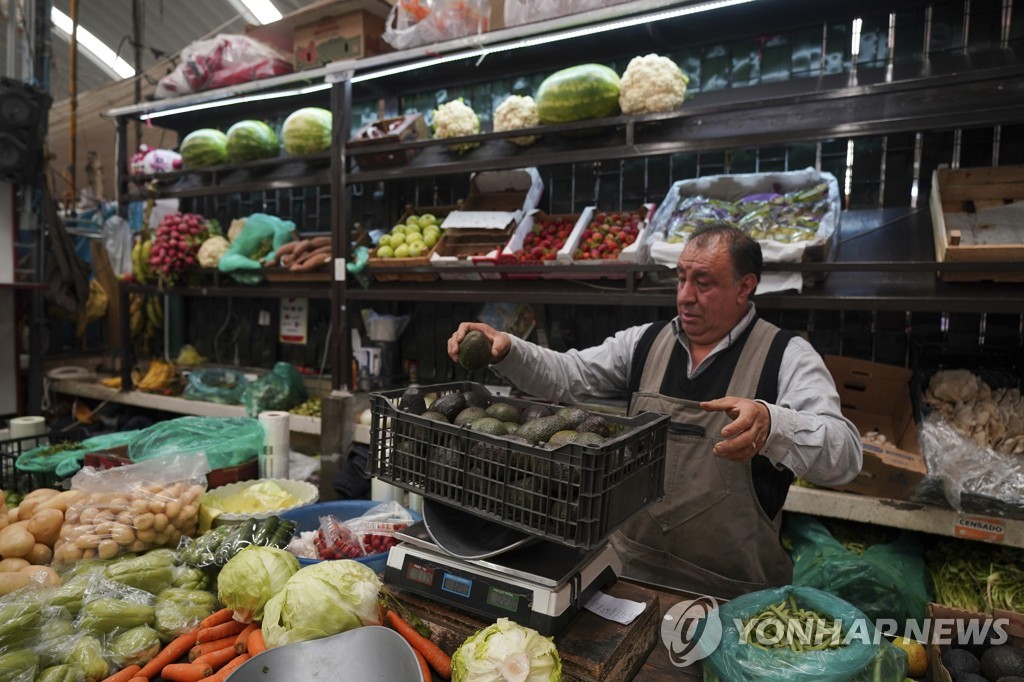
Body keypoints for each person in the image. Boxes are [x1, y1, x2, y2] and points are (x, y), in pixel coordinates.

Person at [447, 223, 862, 598]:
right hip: (627, 579)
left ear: (744, 286)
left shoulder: (786, 356)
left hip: (732, 597)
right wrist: (508, 349)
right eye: (681, 278)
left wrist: (774, 424)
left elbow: (845, 457)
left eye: (704, 282)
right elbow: (568, 376)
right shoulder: (645, 343)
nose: (685, 295)